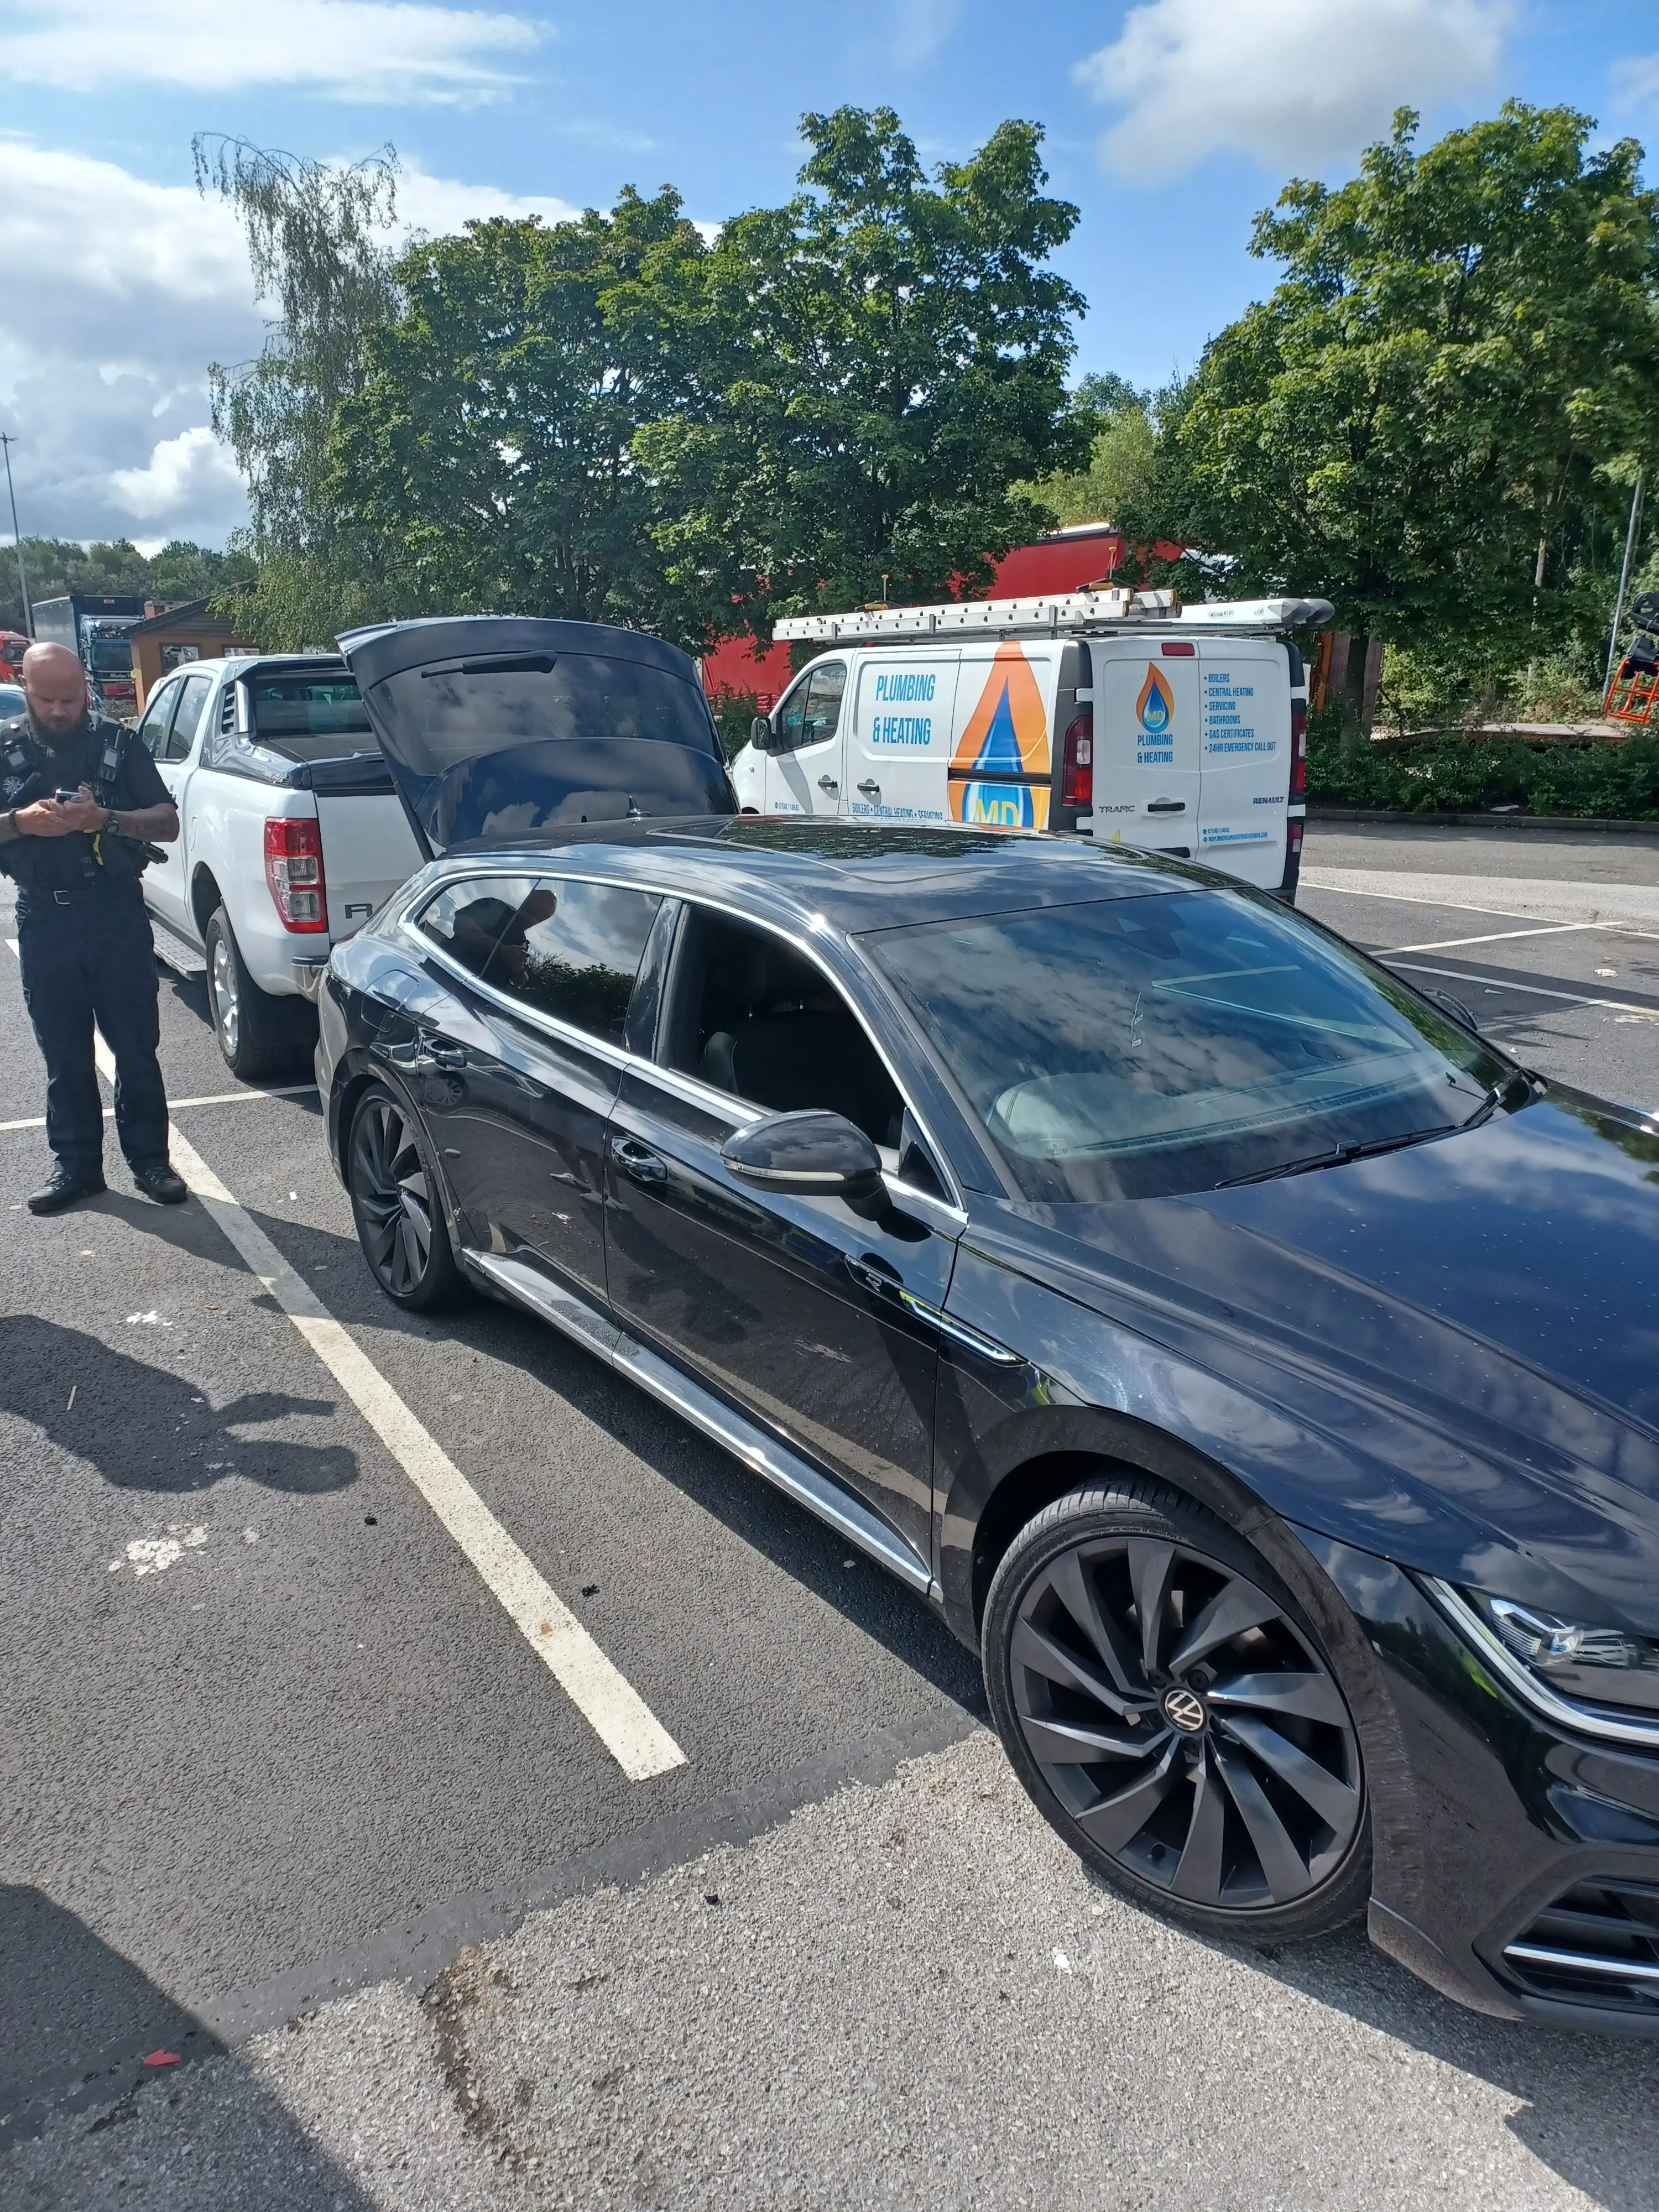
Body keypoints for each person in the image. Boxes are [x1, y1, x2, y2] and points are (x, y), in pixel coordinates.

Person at [0, 641, 188, 1213]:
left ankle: (151, 1161)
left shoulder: (118, 742)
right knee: (64, 1053)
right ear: (25, 689)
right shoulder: (4, 744)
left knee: (135, 1048)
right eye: (48, 698)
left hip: (113, 914)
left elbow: (167, 822)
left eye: (71, 697)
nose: (61, 711)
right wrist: (20, 823)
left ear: (86, 689)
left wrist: (104, 817)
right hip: (43, 917)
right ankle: (77, 1168)